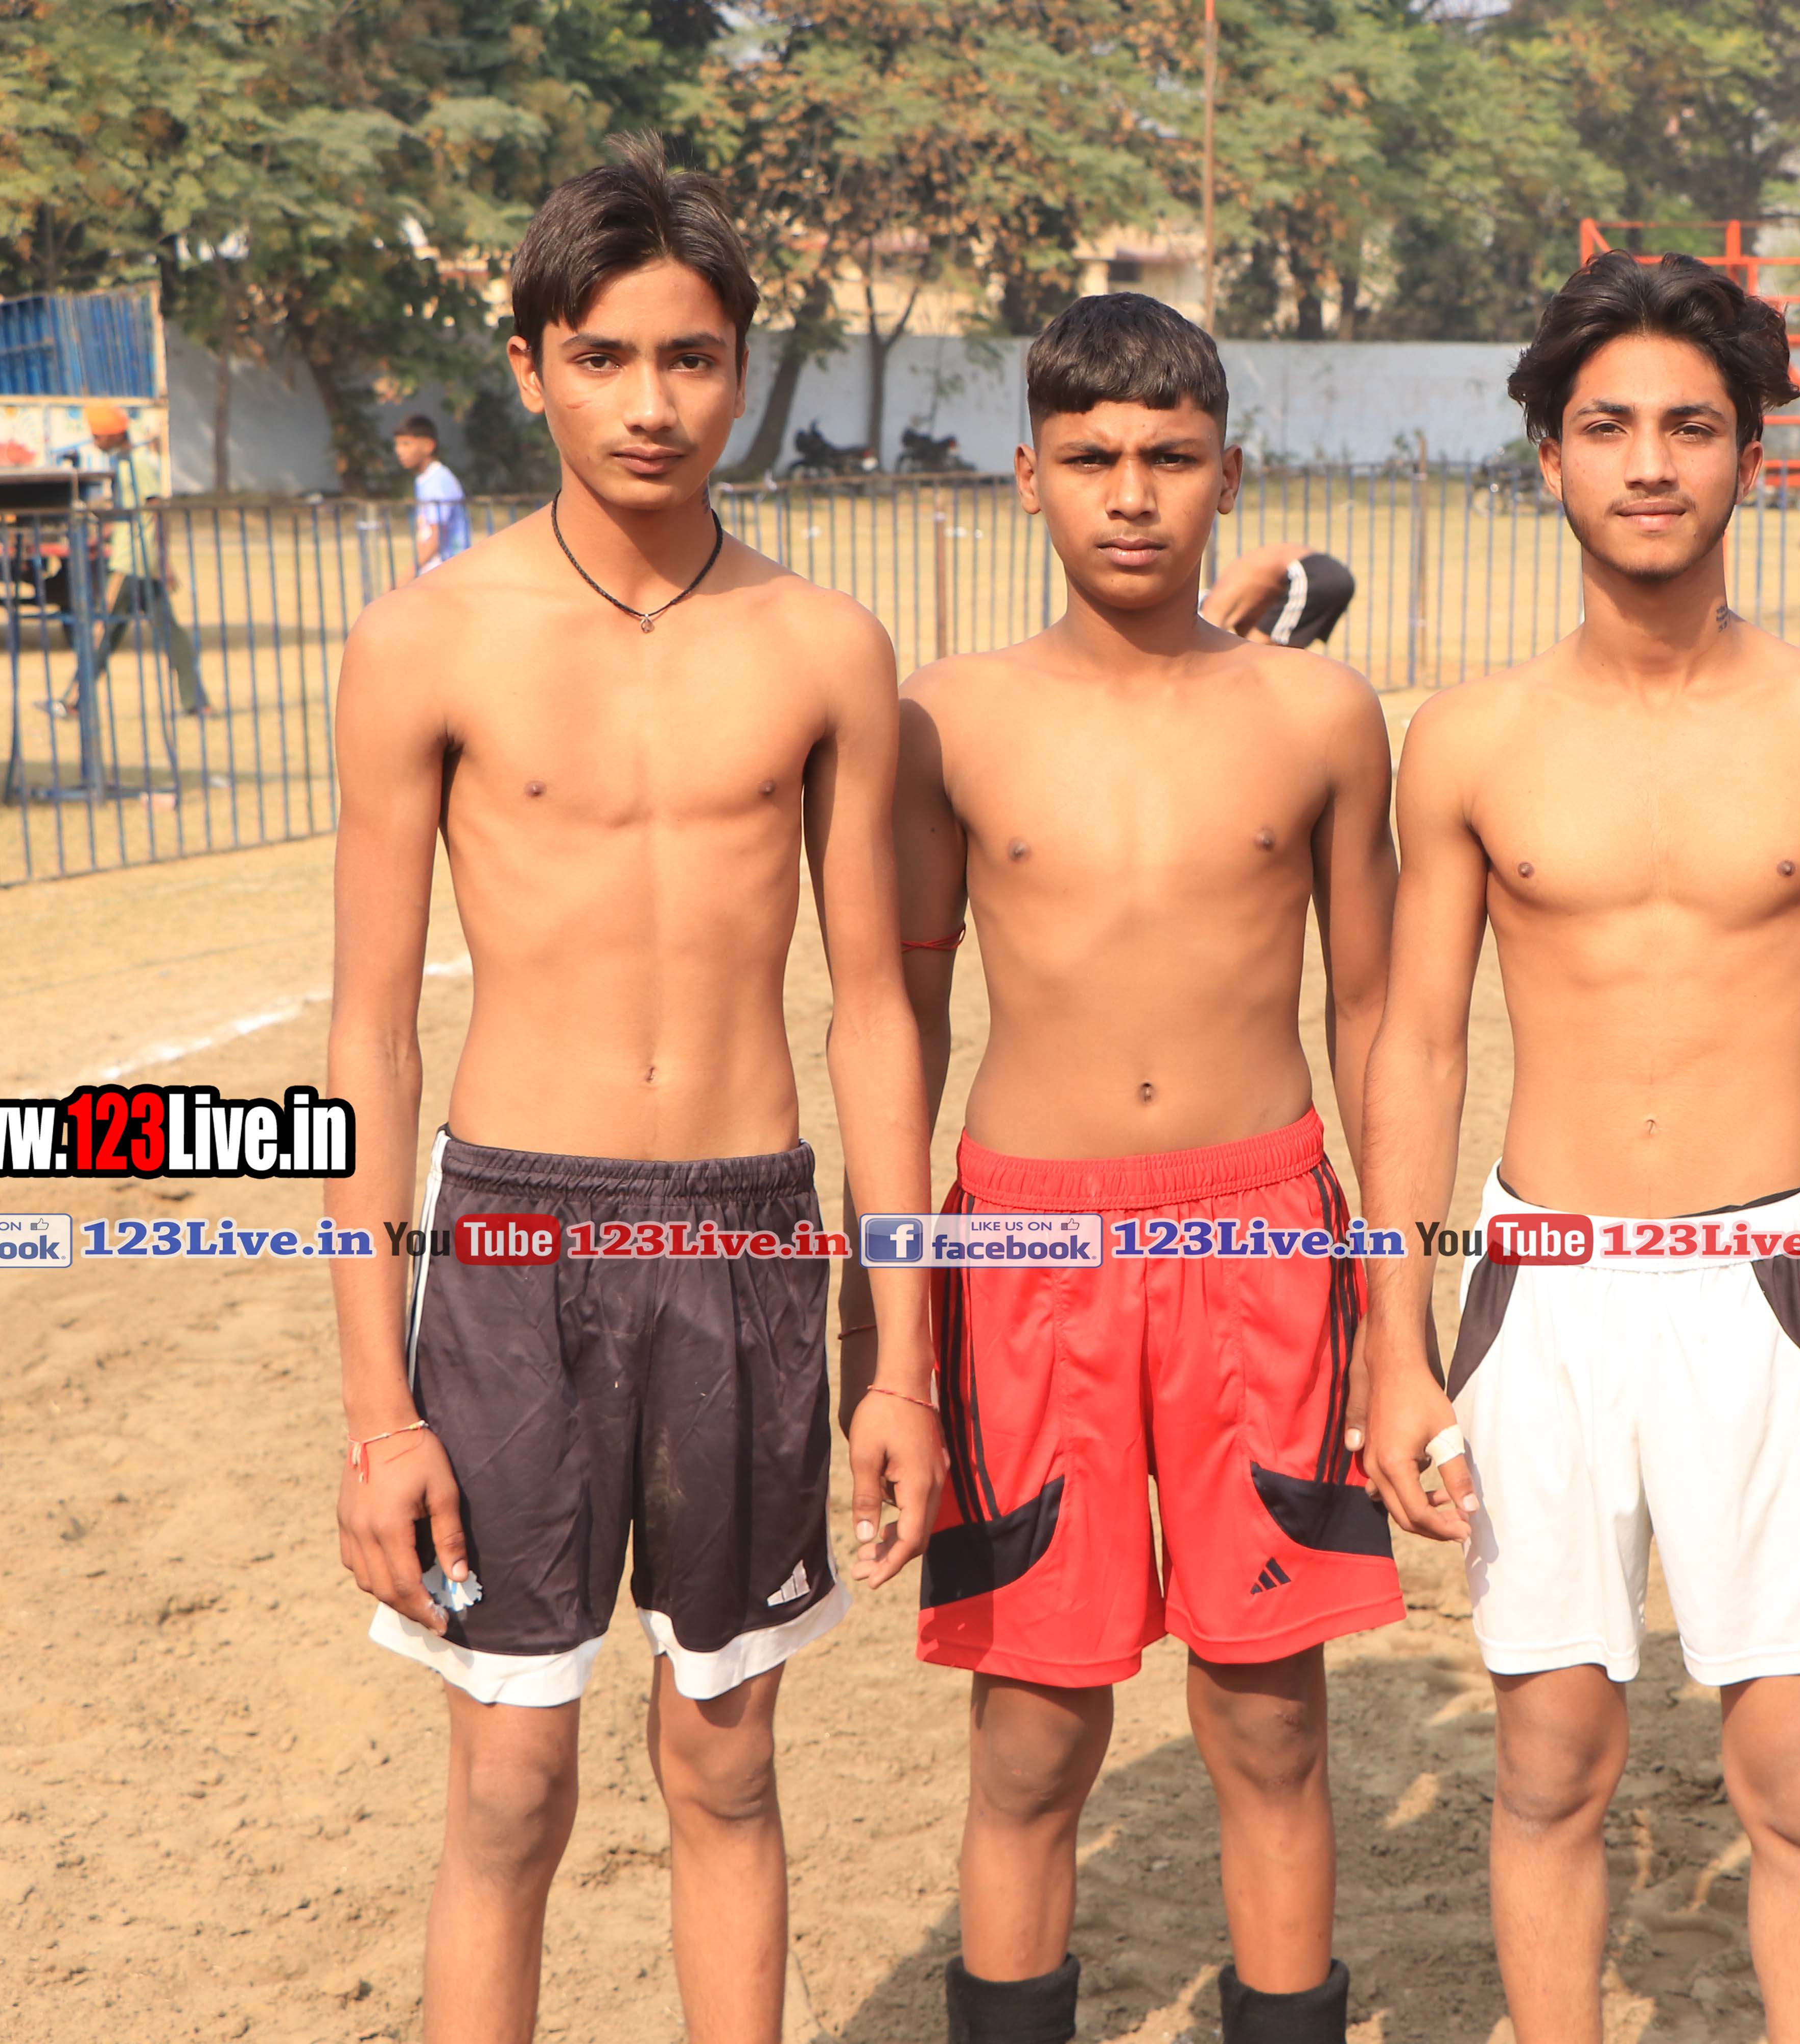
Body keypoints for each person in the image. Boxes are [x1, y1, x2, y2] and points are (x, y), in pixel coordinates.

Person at [324, 136, 944, 2044]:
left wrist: (899, 1357)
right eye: (602, 357)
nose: (650, 403)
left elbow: (874, 1018)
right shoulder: (426, 640)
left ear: (740, 366)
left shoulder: (826, 646)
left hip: (744, 1236)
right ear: (530, 367)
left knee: (726, 1757)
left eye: (689, 357)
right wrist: (375, 1412)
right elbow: (367, 1035)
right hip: (509, 1239)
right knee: (509, 1784)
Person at [1357, 251, 1800, 2044]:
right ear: (1549, 456)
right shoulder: (1466, 739)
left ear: (1750, 459)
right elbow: (1415, 1041)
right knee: (1548, 1759)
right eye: (1609, 426)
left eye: (1692, 428)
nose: (1650, 463)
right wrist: (1391, 1339)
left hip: (1766, 1287)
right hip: (1539, 1289)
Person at [890, 291, 1399, 2044]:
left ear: (1227, 477)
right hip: (1024, 1254)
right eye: (1091, 457)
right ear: (1025, 474)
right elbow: (897, 1031)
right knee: (1032, 1730)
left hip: (1264, 1242)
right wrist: (894, 1330)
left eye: (1169, 458)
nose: (1130, 494)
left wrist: (1398, 1315)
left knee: (1269, 1717)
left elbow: (1377, 1022)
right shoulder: (944, 721)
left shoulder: (1320, 714)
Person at [60, 399, 208, 716]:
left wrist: (164, 562)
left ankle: (72, 702)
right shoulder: (123, 464)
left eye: (98, 435)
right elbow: (131, 515)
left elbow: (158, 512)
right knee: (170, 634)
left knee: (102, 633)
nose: (95, 441)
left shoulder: (138, 464)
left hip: (130, 564)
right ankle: (197, 701)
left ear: (115, 435)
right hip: (142, 563)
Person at [1201, 540, 1355, 648]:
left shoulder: (1215, 602)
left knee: (1258, 653)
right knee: (1283, 654)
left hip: (1311, 573)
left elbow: (1208, 640)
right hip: (1337, 575)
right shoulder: (1251, 601)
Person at [395, 413, 475, 572]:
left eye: (406, 444)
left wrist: (406, 578)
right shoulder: (425, 479)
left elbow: (436, 540)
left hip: (448, 572)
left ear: (428, 446)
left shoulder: (439, 480)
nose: (399, 451)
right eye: (397, 445)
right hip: (435, 571)